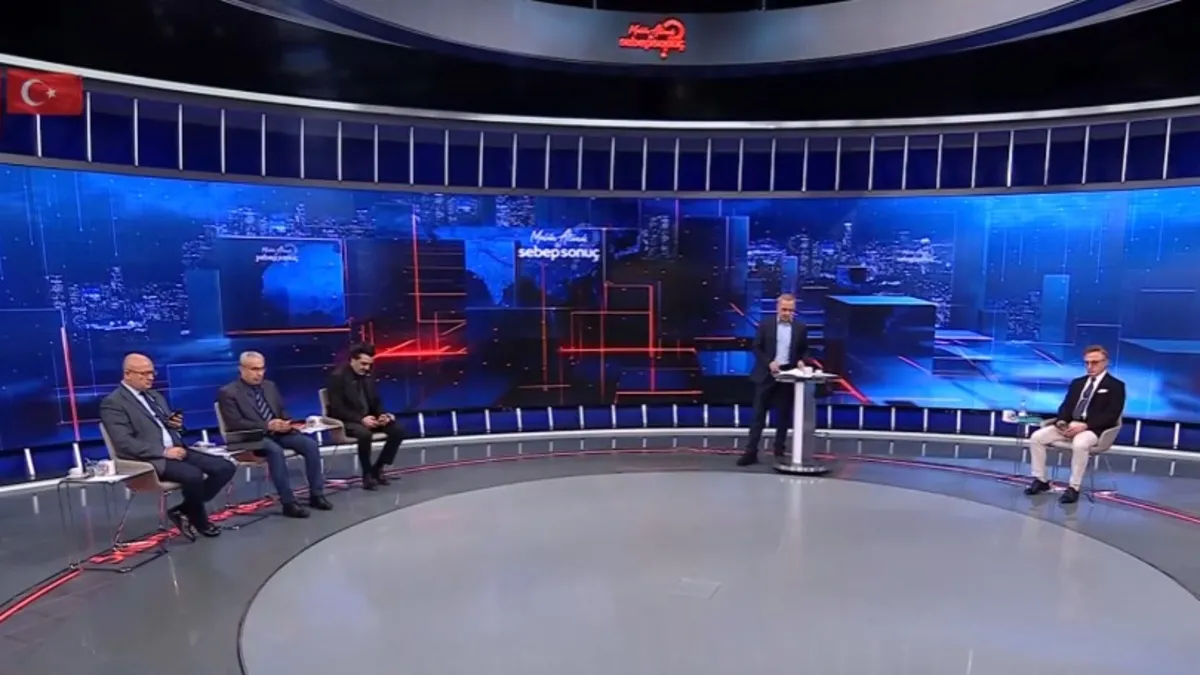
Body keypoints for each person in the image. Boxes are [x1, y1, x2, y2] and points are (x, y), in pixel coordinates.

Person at [99, 353, 235, 539]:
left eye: (152, 373)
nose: (150, 377)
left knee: (225, 467)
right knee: (193, 475)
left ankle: (183, 510)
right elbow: (124, 443)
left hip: (178, 450)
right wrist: (163, 452)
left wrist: (177, 426)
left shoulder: (154, 396)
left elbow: (167, 426)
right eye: (144, 373)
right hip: (151, 458)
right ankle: (200, 520)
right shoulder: (113, 403)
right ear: (128, 374)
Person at [217, 351, 332, 518]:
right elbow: (235, 423)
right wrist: (267, 425)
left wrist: (286, 423)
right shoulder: (228, 392)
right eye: (254, 369)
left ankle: (316, 495)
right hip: (249, 437)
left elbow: (281, 410)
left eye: (262, 369)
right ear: (241, 369)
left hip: (277, 433)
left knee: (310, 445)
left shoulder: (269, 386)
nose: (259, 373)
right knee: (275, 450)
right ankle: (288, 503)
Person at [1025, 345, 1126, 504]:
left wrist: (1085, 426)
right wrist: (1062, 422)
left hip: (1094, 429)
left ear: (1105, 362)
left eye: (1095, 362)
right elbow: (1066, 407)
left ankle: (1074, 488)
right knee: (1037, 437)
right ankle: (1041, 480)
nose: (1090, 366)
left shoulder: (1116, 386)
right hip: (1069, 426)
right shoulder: (1078, 383)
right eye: (1087, 363)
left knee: (1080, 444)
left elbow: (1112, 415)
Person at [738, 293, 809, 467]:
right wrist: (769, 362)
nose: (787, 313)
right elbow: (756, 347)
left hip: (788, 375)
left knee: (784, 415)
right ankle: (751, 452)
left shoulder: (800, 327)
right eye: (784, 309)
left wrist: (801, 361)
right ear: (778, 308)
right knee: (758, 415)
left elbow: (804, 349)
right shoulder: (766, 325)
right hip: (766, 375)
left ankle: (779, 451)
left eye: (790, 310)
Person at [325, 344, 406, 490]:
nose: (367, 368)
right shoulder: (337, 377)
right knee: (364, 434)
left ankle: (378, 468)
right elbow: (337, 409)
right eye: (363, 364)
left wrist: (382, 415)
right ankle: (367, 474)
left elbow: (376, 401)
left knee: (398, 430)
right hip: (347, 421)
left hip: (370, 419)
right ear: (352, 360)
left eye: (369, 364)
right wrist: (361, 419)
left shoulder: (368, 376)